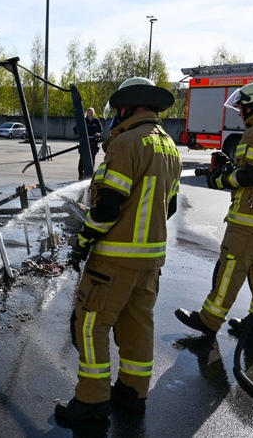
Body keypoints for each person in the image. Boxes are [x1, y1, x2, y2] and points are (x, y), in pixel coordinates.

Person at [55, 77, 181, 426]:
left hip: (114, 258)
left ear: (127, 106)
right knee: (137, 324)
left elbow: (109, 205)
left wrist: (83, 241)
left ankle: (92, 402)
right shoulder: (169, 147)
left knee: (90, 324)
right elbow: (168, 207)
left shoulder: (126, 143)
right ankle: (132, 393)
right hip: (151, 258)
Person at [175, 82, 253, 341]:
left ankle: (209, 319)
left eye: (241, 107)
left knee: (231, 267)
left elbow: (250, 175)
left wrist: (221, 179)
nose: (240, 112)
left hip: (249, 219)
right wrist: (230, 169)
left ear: (252, 106)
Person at [75, 108, 103, 179]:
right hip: (84, 142)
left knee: (92, 158)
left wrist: (98, 133)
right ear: (87, 113)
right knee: (82, 158)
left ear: (93, 113)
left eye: (91, 113)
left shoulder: (96, 121)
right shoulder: (84, 120)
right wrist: (78, 134)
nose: (90, 114)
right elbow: (75, 128)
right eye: (89, 112)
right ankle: (81, 174)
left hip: (93, 142)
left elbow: (101, 130)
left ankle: (89, 174)